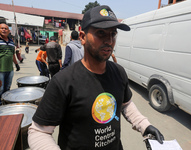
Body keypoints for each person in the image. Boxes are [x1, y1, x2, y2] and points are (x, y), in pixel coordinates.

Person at [28, 5, 164, 150]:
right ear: (82, 37)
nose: (109, 40)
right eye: (101, 33)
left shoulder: (119, 72)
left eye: (113, 34)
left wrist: (144, 125)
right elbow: (38, 132)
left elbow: (125, 104)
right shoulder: (63, 81)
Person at [0, 23, 20, 105]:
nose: (4, 30)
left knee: (7, 88)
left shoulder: (11, 42)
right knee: (0, 89)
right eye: (2, 28)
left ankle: (5, 103)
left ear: (9, 31)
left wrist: (16, 64)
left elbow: (12, 54)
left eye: (5, 28)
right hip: (0, 70)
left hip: (10, 70)